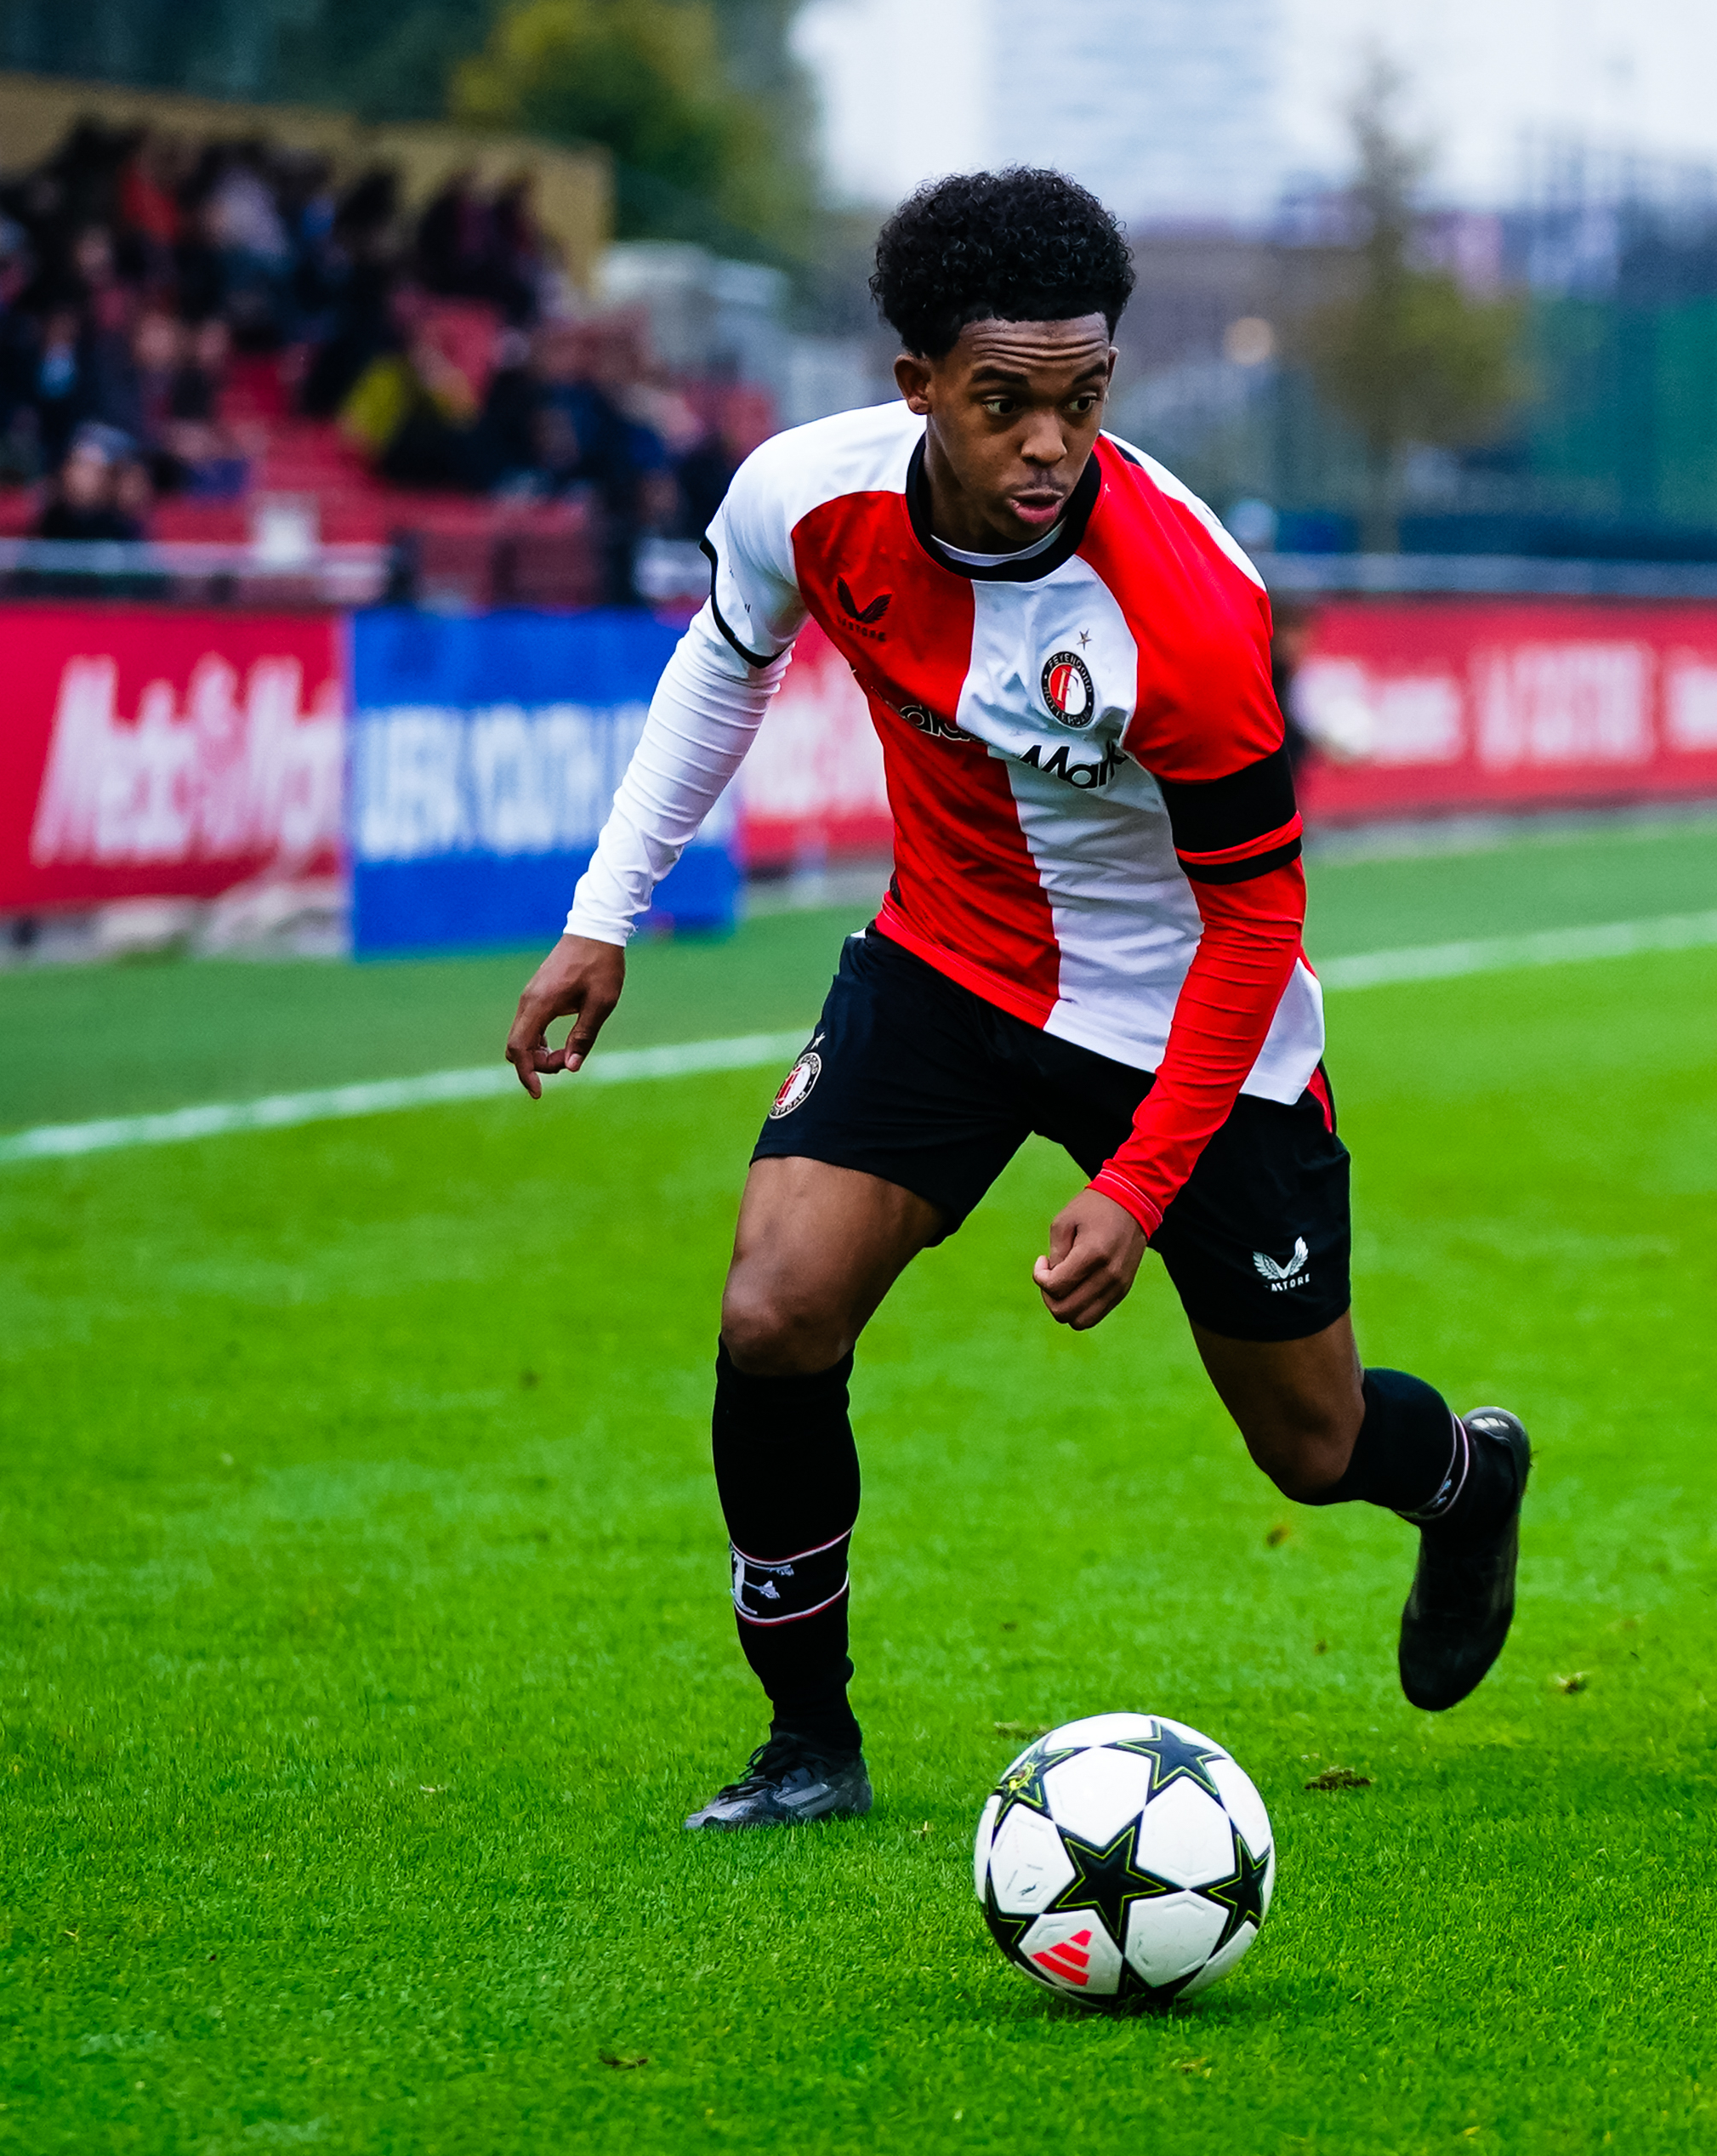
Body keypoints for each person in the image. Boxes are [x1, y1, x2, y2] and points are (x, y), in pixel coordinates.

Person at [501, 168, 1532, 1832]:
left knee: (1310, 1438)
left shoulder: (1186, 610)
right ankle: (807, 1740)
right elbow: (724, 652)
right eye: (1005, 403)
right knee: (773, 1311)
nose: (1050, 440)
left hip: (1191, 1019)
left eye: (1081, 399)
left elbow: (1255, 920)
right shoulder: (802, 496)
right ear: (915, 383)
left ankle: (1467, 1479)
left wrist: (1132, 1187)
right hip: (946, 966)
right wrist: (600, 916)